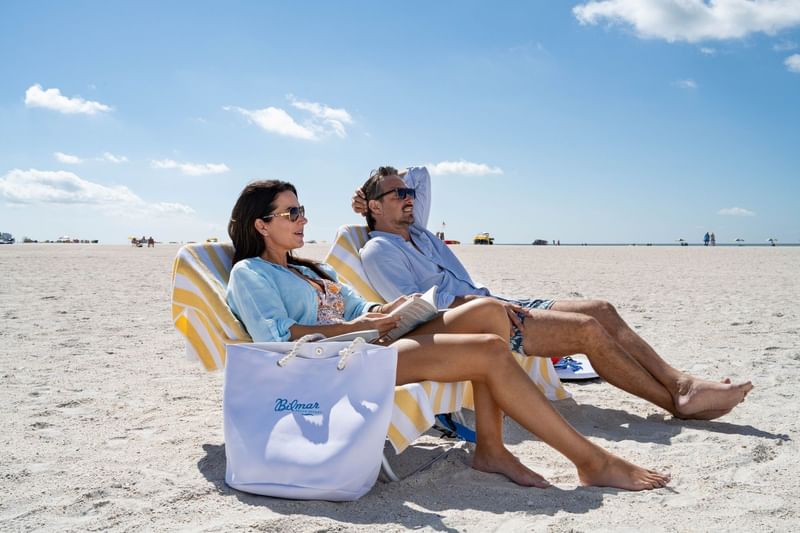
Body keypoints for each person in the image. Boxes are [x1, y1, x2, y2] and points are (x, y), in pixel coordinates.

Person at [225, 179, 671, 491]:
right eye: (292, 213)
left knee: (488, 313)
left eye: (302, 210)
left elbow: (359, 307)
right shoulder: (250, 273)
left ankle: (492, 449)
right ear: (261, 224)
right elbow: (277, 339)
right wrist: (359, 327)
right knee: (490, 352)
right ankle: (592, 461)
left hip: (372, 344)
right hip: (333, 367)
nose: (303, 219)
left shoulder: (312, 270)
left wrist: (387, 311)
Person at [352, 166, 753, 421]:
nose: (409, 198)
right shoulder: (380, 250)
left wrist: (383, 188)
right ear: (375, 207)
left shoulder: (419, 232)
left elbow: (420, 174)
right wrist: (484, 306)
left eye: (408, 194)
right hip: (480, 323)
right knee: (587, 329)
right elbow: (419, 311)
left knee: (601, 309)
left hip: (500, 303)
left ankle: (681, 385)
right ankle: (676, 405)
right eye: (398, 195)